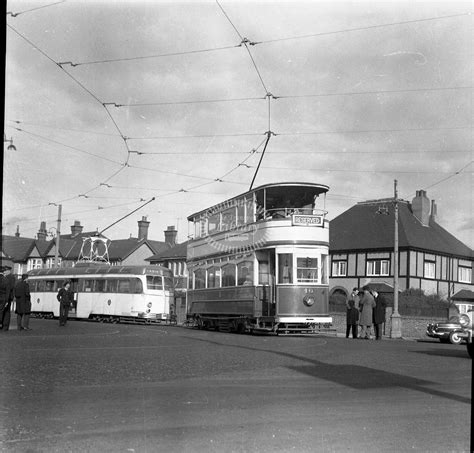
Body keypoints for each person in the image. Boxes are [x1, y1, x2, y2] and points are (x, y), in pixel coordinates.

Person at [0, 266, 16, 331]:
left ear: (8, 271)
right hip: (5, 296)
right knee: (3, 311)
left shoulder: (10, 277)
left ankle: (5, 326)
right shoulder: (6, 277)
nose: (4, 272)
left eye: (5, 271)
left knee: (6, 312)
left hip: (8, 296)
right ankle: (3, 325)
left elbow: (11, 287)